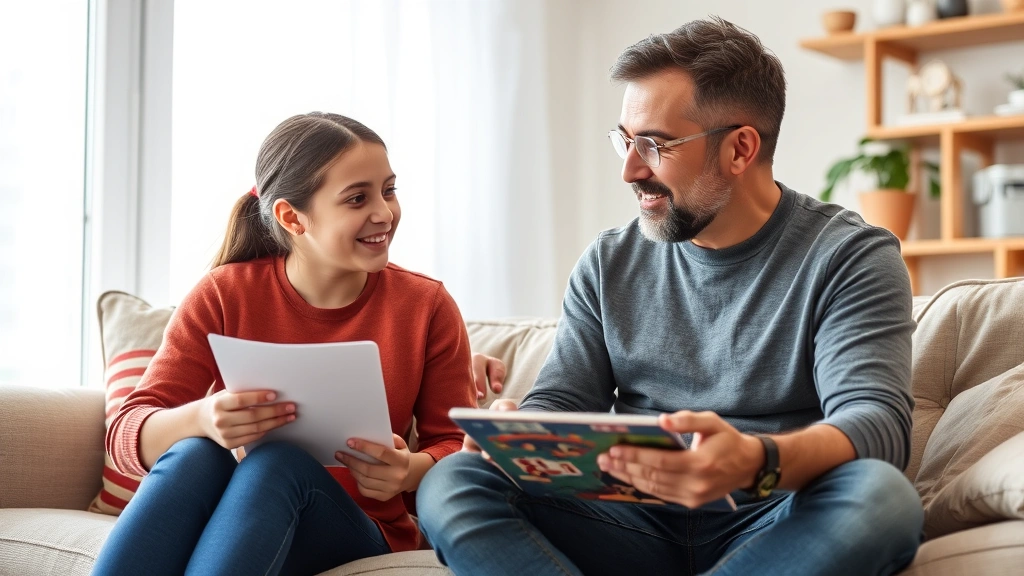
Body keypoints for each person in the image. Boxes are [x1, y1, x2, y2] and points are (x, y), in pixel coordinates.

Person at [416, 17, 924, 576]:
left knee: (880, 496)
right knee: (455, 480)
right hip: (623, 518)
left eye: (655, 144)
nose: (631, 169)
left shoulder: (849, 256)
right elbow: (563, 400)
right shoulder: (608, 262)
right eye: (625, 141)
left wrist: (755, 461)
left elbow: (875, 424)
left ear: (740, 148)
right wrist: (523, 433)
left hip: (776, 512)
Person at [92, 112, 478, 576]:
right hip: (246, 516)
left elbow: (455, 443)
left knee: (278, 462)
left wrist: (411, 469)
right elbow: (126, 432)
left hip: (359, 525)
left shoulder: (425, 305)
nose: (384, 212)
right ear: (291, 217)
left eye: (389, 190)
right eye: (358, 198)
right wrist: (202, 418)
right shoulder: (224, 293)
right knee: (195, 451)